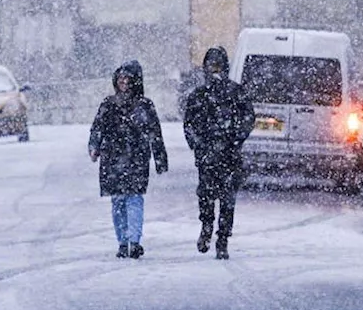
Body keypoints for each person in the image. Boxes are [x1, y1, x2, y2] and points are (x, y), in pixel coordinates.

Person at [89, 60, 168, 259]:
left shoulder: (145, 105)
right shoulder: (108, 104)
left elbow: (155, 133)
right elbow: (98, 127)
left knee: (134, 199)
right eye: (121, 78)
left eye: (127, 78)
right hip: (113, 159)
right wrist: (94, 147)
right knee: (118, 201)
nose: (124, 82)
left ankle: (134, 241)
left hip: (137, 158)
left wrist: (160, 158)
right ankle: (122, 242)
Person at [183, 47, 254, 260]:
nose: (214, 70)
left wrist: (235, 139)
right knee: (205, 195)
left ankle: (222, 238)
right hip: (207, 156)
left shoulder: (236, 92)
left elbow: (248, 118)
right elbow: (189, 124)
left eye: (218, 66)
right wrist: (198, 145)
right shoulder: (198, 95)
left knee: (227, 199)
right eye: (210, 66)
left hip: (230, 155)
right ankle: (206, 226)